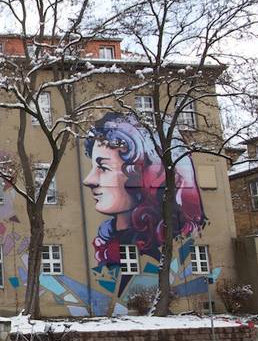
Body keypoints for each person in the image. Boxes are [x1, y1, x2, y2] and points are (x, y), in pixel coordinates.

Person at [82, 112, 206, 267]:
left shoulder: (156, 241)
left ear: (143, 175)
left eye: (103, 167)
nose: (88, 180)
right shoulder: (108, 236)